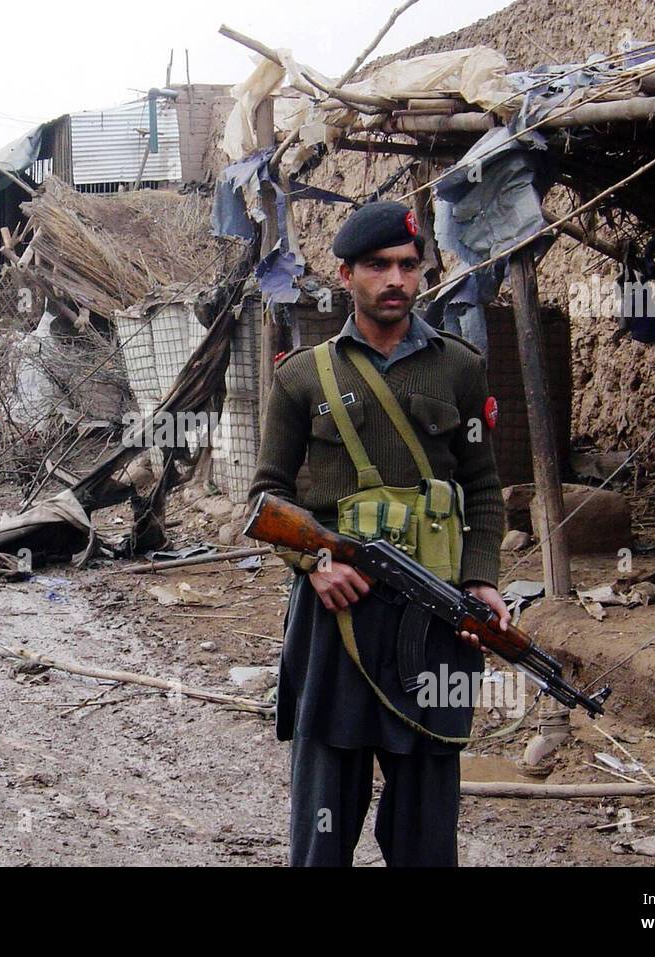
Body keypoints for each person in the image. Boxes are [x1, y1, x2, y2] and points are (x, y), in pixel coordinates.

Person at [249, 201, 507, 867]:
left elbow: (482, 487)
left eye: (406, 266)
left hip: (433, 617)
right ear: (345, 274)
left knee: (426, 830)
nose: (394, 279)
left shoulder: (461, 369)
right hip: (337, 618)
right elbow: (266, 494)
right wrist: (315, 561)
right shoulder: (303, 375)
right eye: (377, 266)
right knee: (325, 829)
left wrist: (481, 579)